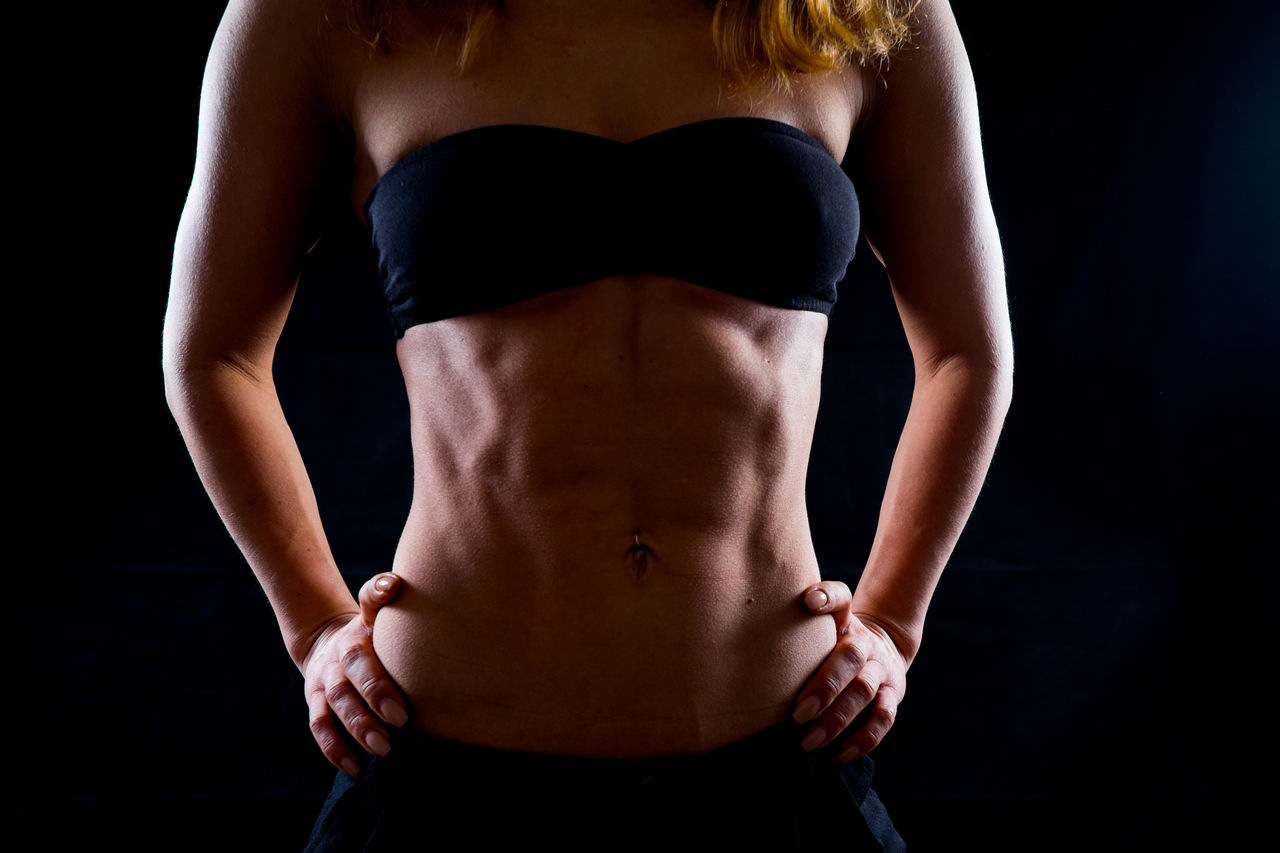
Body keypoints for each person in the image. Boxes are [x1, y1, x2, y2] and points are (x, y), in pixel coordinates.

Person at [163, 0, 1011, 849]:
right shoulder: (330, 15)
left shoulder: (865, 13)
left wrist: (895, 624)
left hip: (780, 756)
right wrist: (312, 625)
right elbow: (213, 355)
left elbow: (969, 353)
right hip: (448, 775)